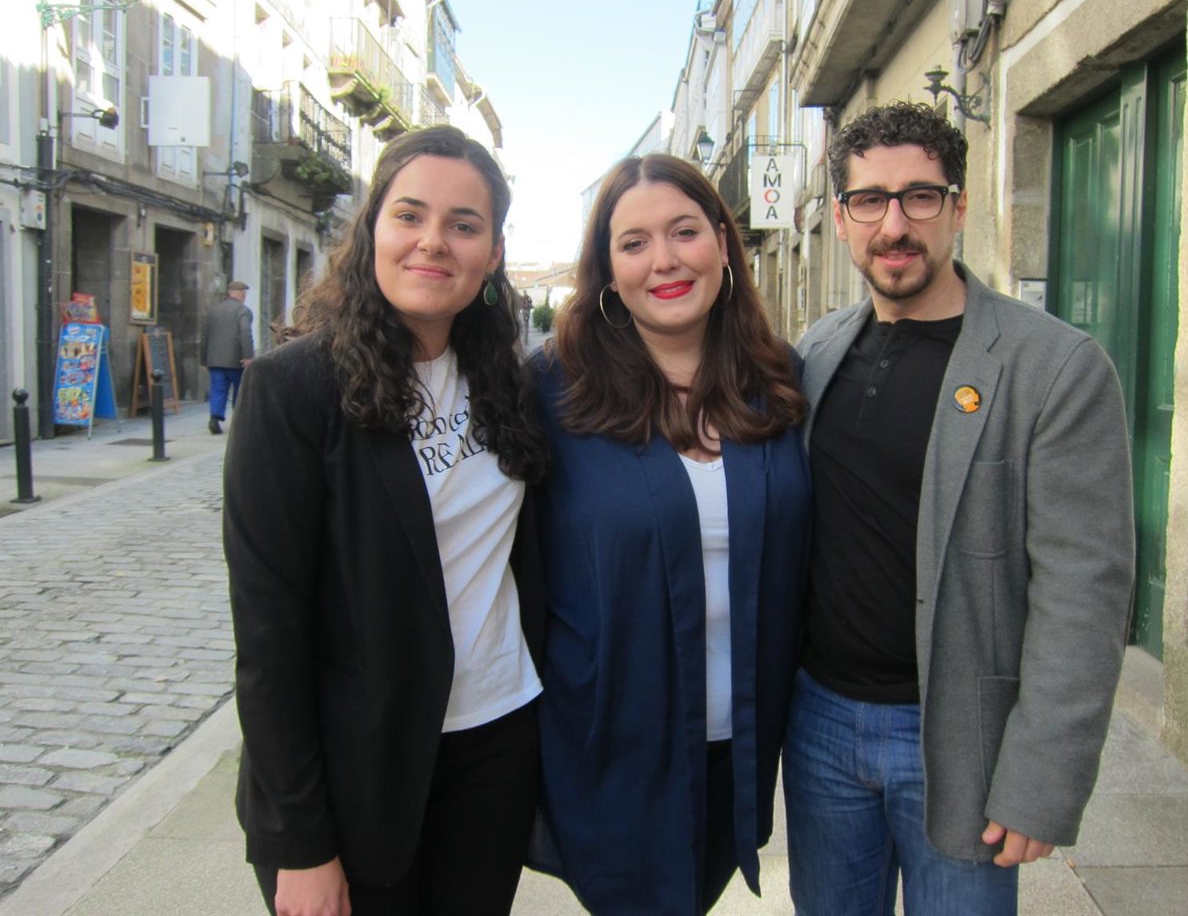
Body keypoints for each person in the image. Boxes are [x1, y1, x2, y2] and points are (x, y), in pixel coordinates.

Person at [785, 100, 1135, 915]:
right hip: (821, 727)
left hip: (958, 738)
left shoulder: (1055, 367)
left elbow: (1085, 586)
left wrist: (1044, 773)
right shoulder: (815, 352)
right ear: (841, 218)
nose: (894, 224)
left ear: (959, 208)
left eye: (921, 197)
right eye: (870, 199)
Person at [223, 125, 547, 916]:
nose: (433, 242)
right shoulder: (294, 391)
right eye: (409, 215)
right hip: (357, 769)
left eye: (463, 225)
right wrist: (298, 839)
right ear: (372, 229)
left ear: (494, 252)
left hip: (495, 743)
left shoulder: (510, 380)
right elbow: (268, 636)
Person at [528, 153, 811, 914]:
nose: (665, 260)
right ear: (607, 270)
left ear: (722, 243)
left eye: (684, 232)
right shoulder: (550, 392)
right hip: (611, 745)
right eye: (634, 243)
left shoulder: (779, 384)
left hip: (737, 745)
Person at [201, 279, 254, 434]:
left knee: (217, 388)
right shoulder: (243, 311)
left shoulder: (213, 310)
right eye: (243, 292)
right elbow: (245, 333)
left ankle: (214, 418)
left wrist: (204, 358)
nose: (244, 295)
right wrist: (248, 355)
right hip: (235, 360)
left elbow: (205, 336)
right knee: (240, 389)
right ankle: (238, 422)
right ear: (239, 294)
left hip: (215, 360)